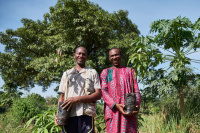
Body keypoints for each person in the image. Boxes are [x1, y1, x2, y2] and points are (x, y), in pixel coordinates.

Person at [55, 46, 101, 133]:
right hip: (68, 114)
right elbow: (62, 96)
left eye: (83, 54)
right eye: (79, 53)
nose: (81, 56)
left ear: (86, 57)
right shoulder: (67, 74)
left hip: (86, 114)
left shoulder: (92, 72)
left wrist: (76, 99)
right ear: (74, 55)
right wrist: (58, 113)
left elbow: (98, 94)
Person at [100, 47, 141, 133]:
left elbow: (136, 91)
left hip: (128, 110)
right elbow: (103, 91)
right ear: (109, 58)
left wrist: (136, 105)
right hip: (112, 111)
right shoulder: (105, 72)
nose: (114, 57)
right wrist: (116, 105)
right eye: (112, 56)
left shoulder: (130, 71)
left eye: (116, 55)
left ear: (121, 55)